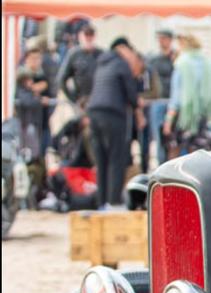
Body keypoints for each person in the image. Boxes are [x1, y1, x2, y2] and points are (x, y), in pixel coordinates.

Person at [85, 37, 144, 209]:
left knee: (101, 160)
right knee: (116, 158)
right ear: (123, 49)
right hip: (113, 113)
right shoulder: (121, 64)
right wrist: (137, 105)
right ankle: (114, 201)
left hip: (94, 112)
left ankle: (101, 202)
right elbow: (131, 92)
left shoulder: (101, 63)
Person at [165, 33, 211, 156]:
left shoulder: (182, 63)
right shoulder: (208, 63)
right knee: (200, 154)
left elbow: (176, 95)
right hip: (204, 115)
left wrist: (168, 120)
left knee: (175, 151)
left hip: (184, 115)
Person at [142, 28, 177, 171]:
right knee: (159, 138)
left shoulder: (176, 58)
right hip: (158, 102)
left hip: (173, 102)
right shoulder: (153, 59)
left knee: (175, 140)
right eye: (160, 39)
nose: (161, 42)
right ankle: (162, 168)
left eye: (164, 38)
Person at [54, 23, 102, 107]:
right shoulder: (74, 54)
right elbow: (61, 79)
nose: (88, 38)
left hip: (98, 100)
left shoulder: (101, 54)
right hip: (81, 101)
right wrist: (73, 98)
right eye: (86, 35)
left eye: (91, 35)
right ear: (80, 37)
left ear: (94, 36)